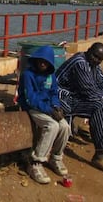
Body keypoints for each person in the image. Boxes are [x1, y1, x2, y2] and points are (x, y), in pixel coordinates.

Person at [17, 45, 71, 184]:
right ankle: (36, 162)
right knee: (52, 126)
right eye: (40, 60)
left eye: (46, 62)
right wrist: (49, 111)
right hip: (32, 107)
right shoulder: (28, 75)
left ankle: (56, 158)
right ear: (35, 60)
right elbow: (31, 98)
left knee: (65, 126)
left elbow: (53, 93)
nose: (43, 64)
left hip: (48, 107)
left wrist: (56, 107)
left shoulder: (50, 75)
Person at [56, 42, 103, 173]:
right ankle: (100, 155)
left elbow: (102, 83)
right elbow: (89, 90)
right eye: (94, 56)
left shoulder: (94, 65)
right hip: (64, 98)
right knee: (100, 105)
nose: (96, 60)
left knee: (102, 103)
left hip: (77, 96)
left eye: (99, 59)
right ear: (88, 50)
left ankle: (102, 144)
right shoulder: (80, 62)